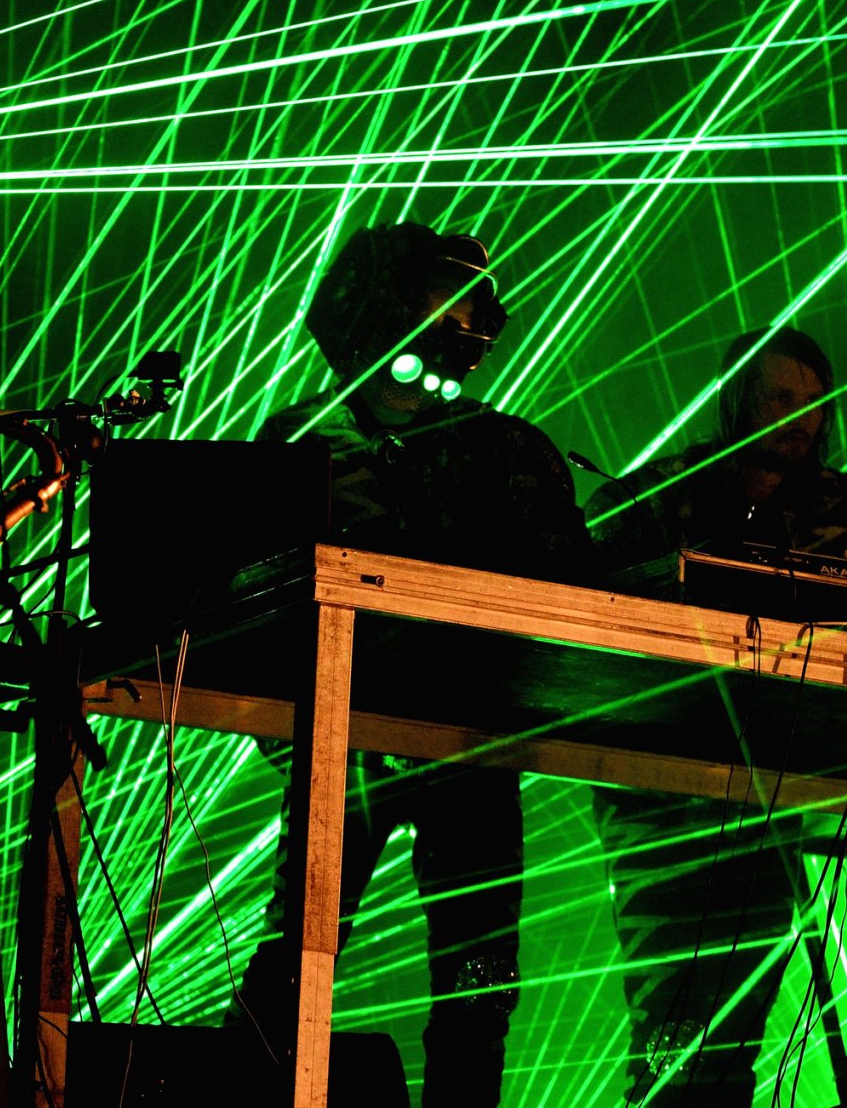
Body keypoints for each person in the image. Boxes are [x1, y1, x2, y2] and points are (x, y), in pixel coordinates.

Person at [230, 221, 589, 1108]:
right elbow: (236, 605)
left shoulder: (511, 452)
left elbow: (571, 600)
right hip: (338, 744)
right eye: (445, 300)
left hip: (471, 750)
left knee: (478, 983)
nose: (465, 323)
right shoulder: (298, 445)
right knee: (295, 966)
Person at [583, 327, 847, 1104]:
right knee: (675, 1032)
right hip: (664, 800)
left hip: (791, 796)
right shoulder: (653, 498)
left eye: (814, 403)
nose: (800, 418)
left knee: (732, 1035)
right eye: (780, 397)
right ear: (735, 401)